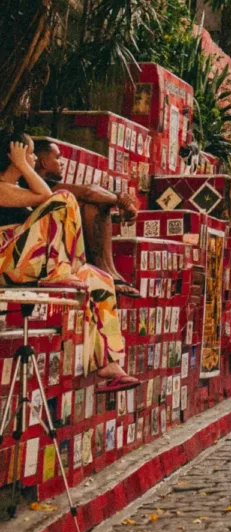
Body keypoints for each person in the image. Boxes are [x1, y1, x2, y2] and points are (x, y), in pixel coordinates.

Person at [0, 130, 138, 392]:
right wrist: (20, 164)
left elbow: (41, 194)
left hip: (28, 262)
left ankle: (108, 363)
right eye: (29, 154)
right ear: (13, 155)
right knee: (64, 199)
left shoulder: (22, 188)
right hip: (6, 261)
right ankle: (62, 270)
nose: (31, 159)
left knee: (100, 280)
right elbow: (46, 196)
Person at [32, 139, 140, 295]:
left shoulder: (42, 184)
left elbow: (90, 193)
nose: (62, 163)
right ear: (44, 163)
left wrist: (115, 204)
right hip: (41, 248)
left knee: (98, 203)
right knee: (89, 203)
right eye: (57, 158)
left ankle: (110, 273)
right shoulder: (36, 184)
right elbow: (88, 192)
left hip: (51, 243)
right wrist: (120, 200)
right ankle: (106, 274)